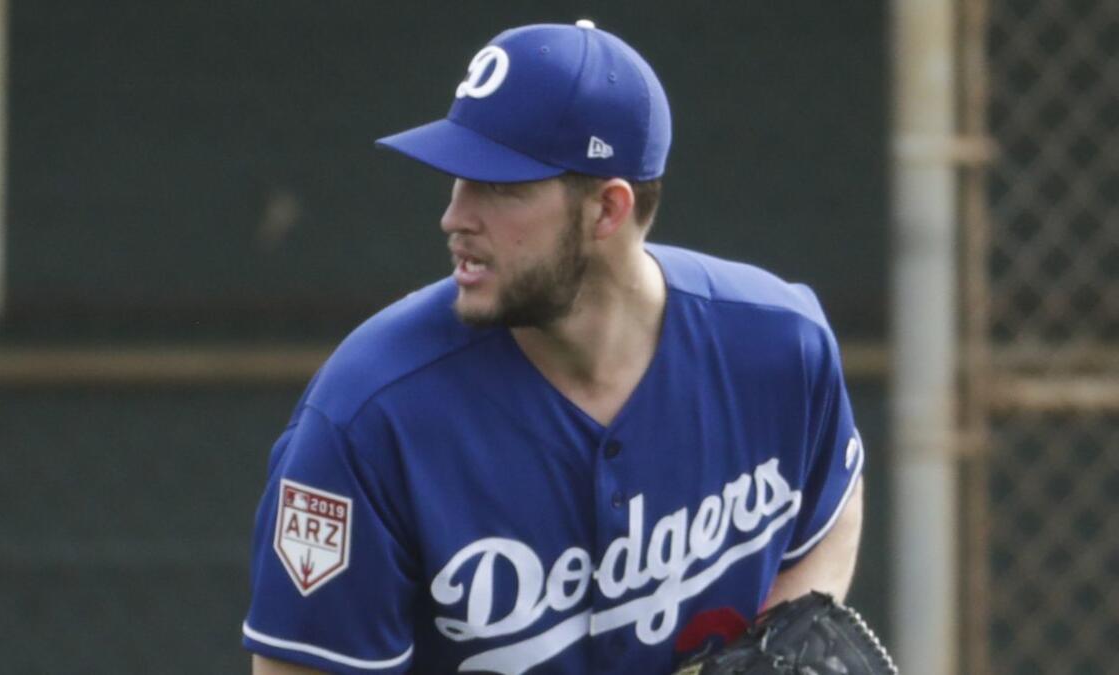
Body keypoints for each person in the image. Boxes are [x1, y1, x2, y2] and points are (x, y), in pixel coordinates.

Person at [243, 20, 863, 675]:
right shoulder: (367, 416)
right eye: (457, 178)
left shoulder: (779, 344)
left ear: (607, 210)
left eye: (501, 186)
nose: (455, 216)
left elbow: (830, 506)